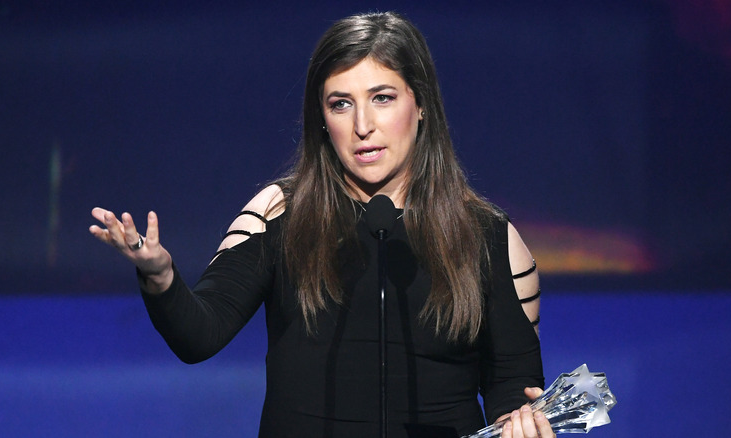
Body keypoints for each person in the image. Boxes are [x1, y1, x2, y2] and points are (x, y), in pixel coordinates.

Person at [90, 11, 552, 438]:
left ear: (422, 104)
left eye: (383, 98)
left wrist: (522, 423)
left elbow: (514, 386)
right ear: (322, 118)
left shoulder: (488, 236)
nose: (363, 125)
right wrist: (160, 276)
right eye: (341, 104)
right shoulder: (278, 214)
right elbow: (199, 335)